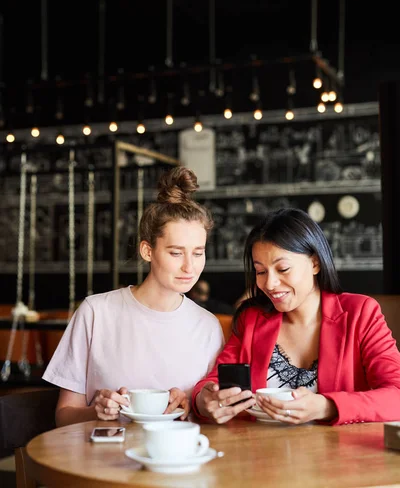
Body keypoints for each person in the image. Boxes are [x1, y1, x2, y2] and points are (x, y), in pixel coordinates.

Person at [43, 166, 224, 427]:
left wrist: (191, 406)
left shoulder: (207, 326)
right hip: (101, 462)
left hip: (176, 461)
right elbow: (64, 415)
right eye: (176, 253)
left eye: (198, 253)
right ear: (147, 251)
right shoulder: (96, 312)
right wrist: (98, 411)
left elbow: (212, 418)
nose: (190, 267)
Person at [193, 208, 400, 425]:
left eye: (282, 269)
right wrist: (204, 400)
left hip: (341, 454)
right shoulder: (251, 318)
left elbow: (396, 395)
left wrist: (327, 406)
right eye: (261, 272)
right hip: (262, 453)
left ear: (315, 263)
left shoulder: (361, 314)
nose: (270, 284)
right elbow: (214, 383)